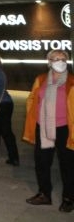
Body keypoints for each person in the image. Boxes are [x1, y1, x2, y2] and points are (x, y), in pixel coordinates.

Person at [24, 50, 74, 212]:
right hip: (43, 127)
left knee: (68, 164)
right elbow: (32, 99)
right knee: (42, 162)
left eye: (63, 59)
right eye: (56, 59)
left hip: (65, 128)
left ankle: (69, 198)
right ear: (49, 62)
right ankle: (44, 194)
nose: (60, 61)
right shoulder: (41, 79)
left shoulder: (72, 81)